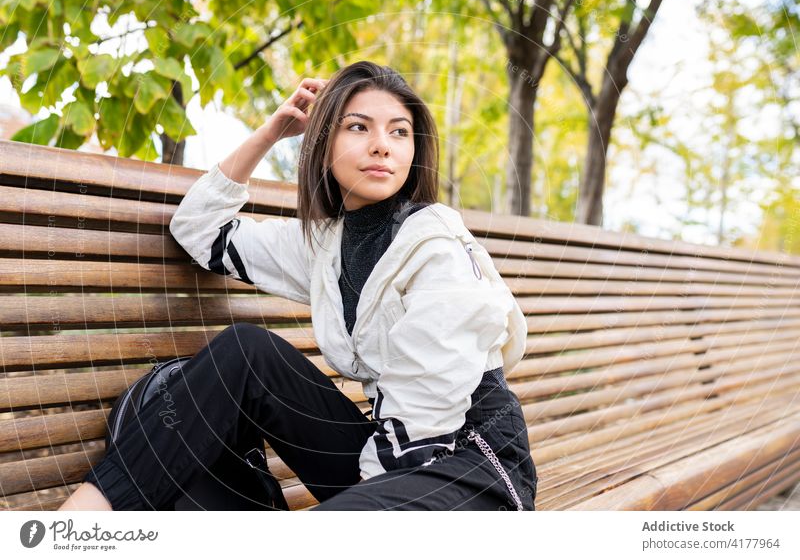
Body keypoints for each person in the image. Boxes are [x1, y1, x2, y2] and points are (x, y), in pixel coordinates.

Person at [58, 60, 537, 511]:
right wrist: (271, 135)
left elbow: (424, 424)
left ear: (415, 150)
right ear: (323, 144)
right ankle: (82, 520)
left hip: (475, 471)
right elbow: (199, 231)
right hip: (392, 460)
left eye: (399, 132)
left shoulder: (436, 244)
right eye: (358, 126)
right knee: (247, 353)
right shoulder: (325, 244)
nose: (381, 145)